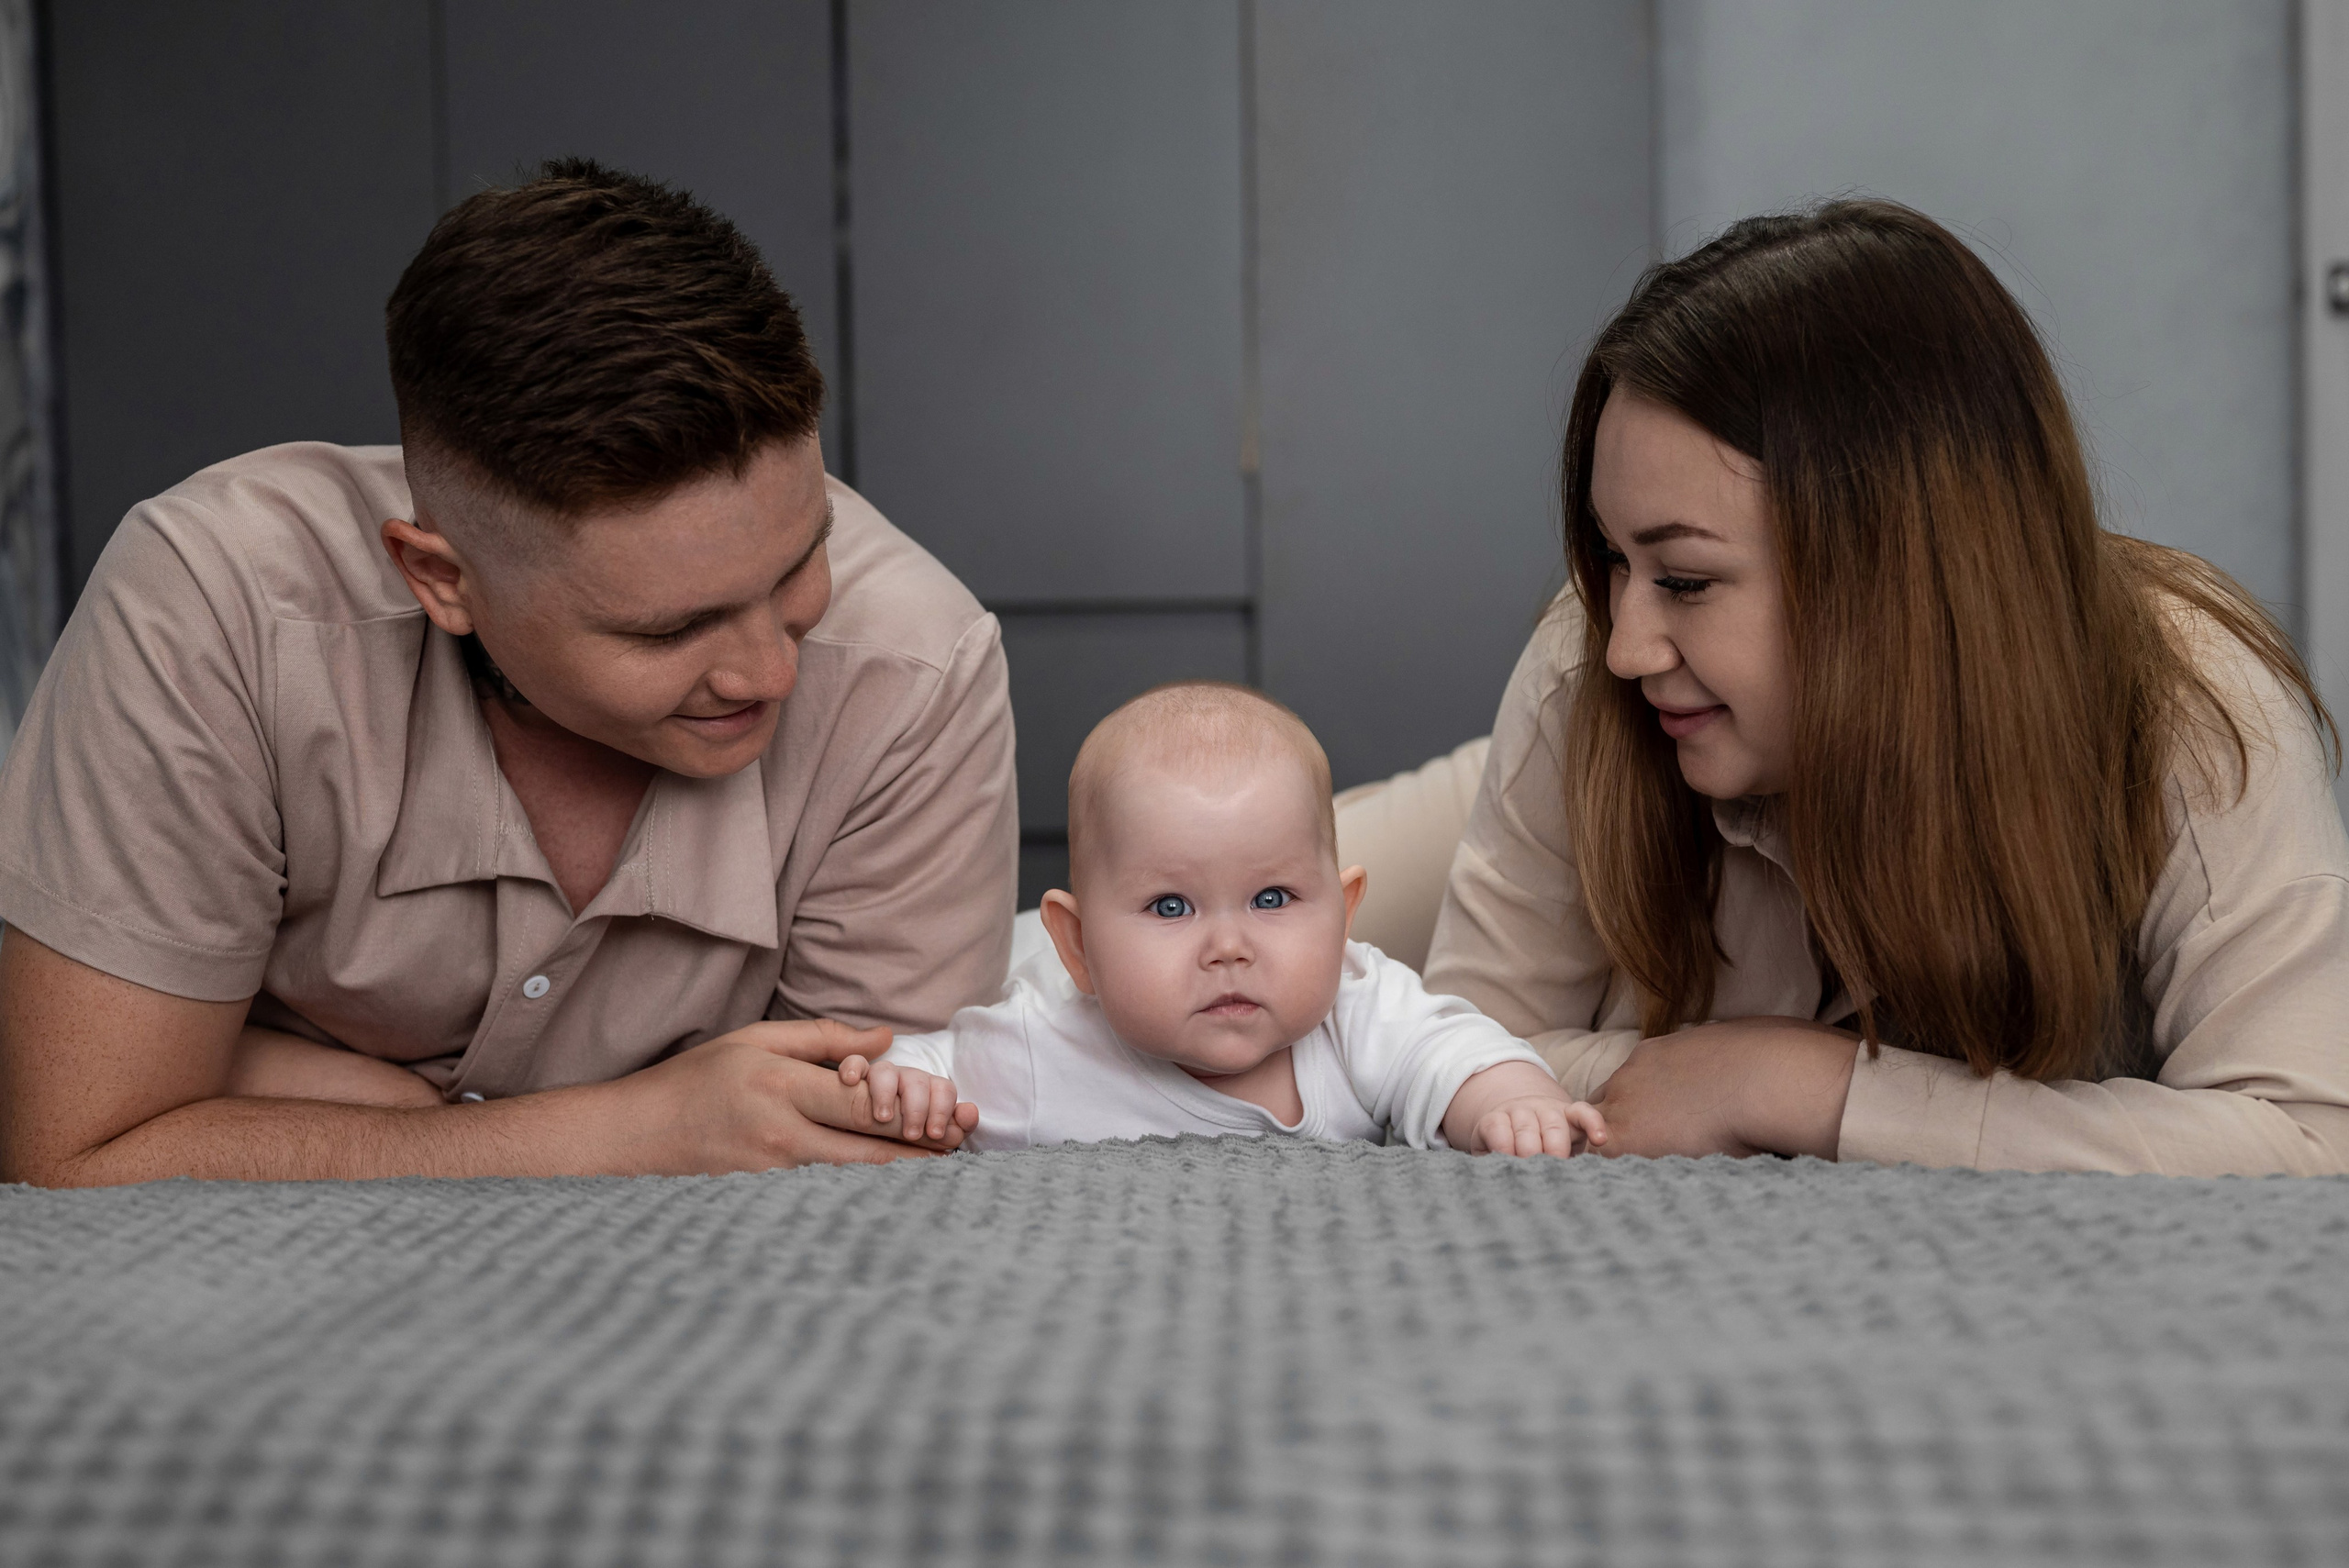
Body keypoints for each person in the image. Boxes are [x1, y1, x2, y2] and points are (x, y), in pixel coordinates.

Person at [0, 161, 1016, 1185]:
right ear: (440, 579)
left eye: (801, 560)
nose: (770, 667)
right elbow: (70, 1158)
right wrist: (628, 1131)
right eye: (669, 630)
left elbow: (870, 1187)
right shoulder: (216, 609)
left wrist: (325, 1099)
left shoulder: (917, 668)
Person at [1423, 198, 2349, 1176]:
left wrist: (1795, 1085)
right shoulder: (1591, 662)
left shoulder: (2194, 704)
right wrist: (1715, 1073)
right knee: (1256, 878)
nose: (1626, 641)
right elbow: (1457, 1054)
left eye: (1686, 578)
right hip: (1501, 796)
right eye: (1612, 558)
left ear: (1892, 575)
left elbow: (2310, 1137)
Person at [838, 683, 1608, 1157]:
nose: (1229, 947)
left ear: (1343, 919)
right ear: (1079, 948)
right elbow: (932, 1060)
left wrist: (1510, 1103)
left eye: (1273, 899)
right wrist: (909, 1086)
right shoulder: (1042, 1039)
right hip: (1012, 947)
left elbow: (1453, 1050)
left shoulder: (1355, 1003)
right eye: (1171, 906)